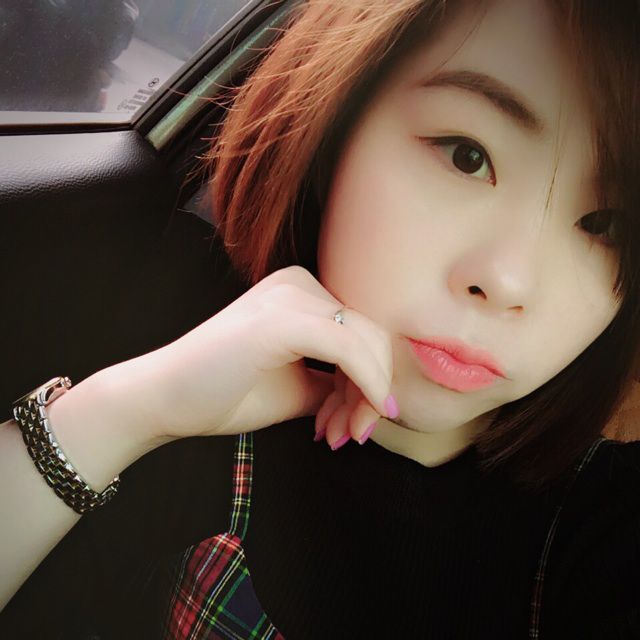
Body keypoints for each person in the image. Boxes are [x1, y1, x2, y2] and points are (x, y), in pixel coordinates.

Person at [1, 0, 640, 637]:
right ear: (337, 125)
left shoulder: (604, 530)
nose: (508, 282)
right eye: (466, 155)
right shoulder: (179, 326)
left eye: (605, 224)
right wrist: (124, 414)